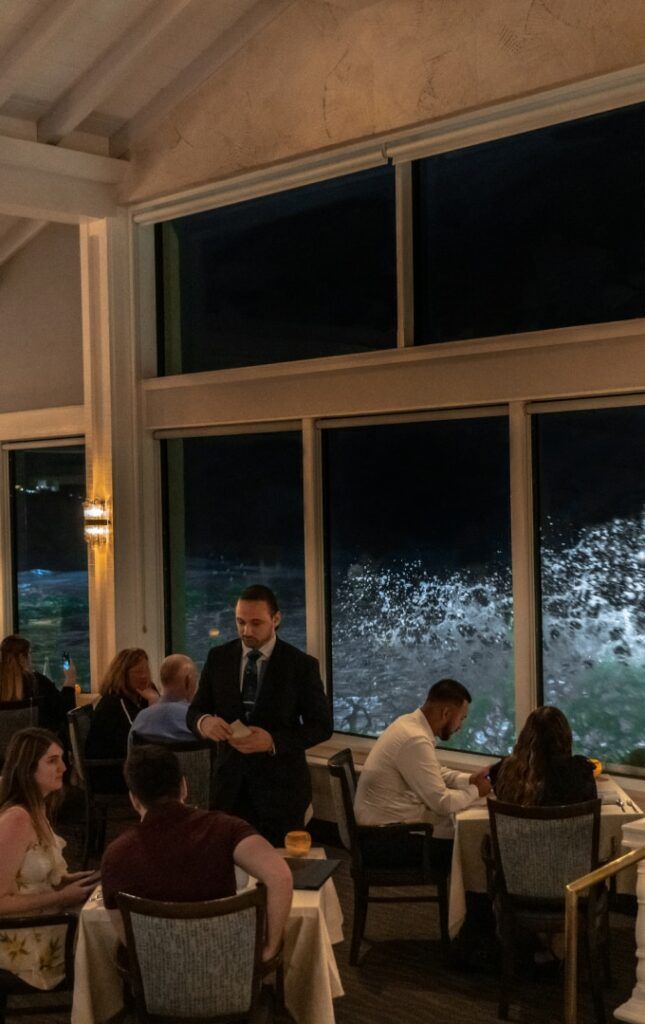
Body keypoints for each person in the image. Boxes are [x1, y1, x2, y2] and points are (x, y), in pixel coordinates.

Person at [101, 744, 293, 963]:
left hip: (160, 986)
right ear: (184, 786)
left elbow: (130, 941)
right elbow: (280, 876)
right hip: (227, 973)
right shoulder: (226, 828)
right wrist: (270, 947)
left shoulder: (116, 855)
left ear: (134, 799)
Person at [187, 584, 333, 847]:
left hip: (281, 790)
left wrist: (273, 741)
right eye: (240, 622)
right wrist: (204, 722)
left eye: (256, 623)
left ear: (276, 619)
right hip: (229, 787)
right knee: (227, 867)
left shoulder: (300, 665)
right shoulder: (218, 658)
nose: (246, 631)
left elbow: (322, 726)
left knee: (281, 872)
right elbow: (195, 711)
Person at [354, 678, 491, 873]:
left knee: (465, 843)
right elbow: (442, 803)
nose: (460, 726)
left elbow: (434, 771)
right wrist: (477, 790)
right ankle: (471, 904)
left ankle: (463, 903)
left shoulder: (408, 724)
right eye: (462, 718)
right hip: (384, 841)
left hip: (380, 834)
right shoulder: (414, 739)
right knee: (474, 850)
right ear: (446, 713)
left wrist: (468, 780)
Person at [0, 728, 98, 990]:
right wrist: (61, 897)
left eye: (62, 759)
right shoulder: (17, 820)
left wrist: (65, 881)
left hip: (45, 917)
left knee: (107, 918)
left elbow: (28, 878)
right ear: (27, 768)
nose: (64, 768)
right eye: (52, 761)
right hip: (21, 936)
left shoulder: (38, 808)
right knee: (105, 936)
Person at [85, 648, 159, 793]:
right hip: (111, 773)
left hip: (129, 765)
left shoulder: (140, 698)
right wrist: (154, 705)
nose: (144, 676)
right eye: (138, 672)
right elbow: (136, 738)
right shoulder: (114, 702)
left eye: (146, 671)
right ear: (123, 675)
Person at [491, 705, 597, 805]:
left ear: (525, 736)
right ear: (565, 737)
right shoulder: (580, 774)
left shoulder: (504, 773)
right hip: (566, 825)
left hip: (522, 825)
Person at [0, 634, 76, 745]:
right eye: (30, 654)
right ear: (22, 657)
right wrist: (70, 680)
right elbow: (64, 712)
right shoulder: (37, 682)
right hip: (35, 752)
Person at [129, 654, 198, 744]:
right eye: (196, 678)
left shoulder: (140, 721)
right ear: (187, 681)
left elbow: (131, 756)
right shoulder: (199, 722)